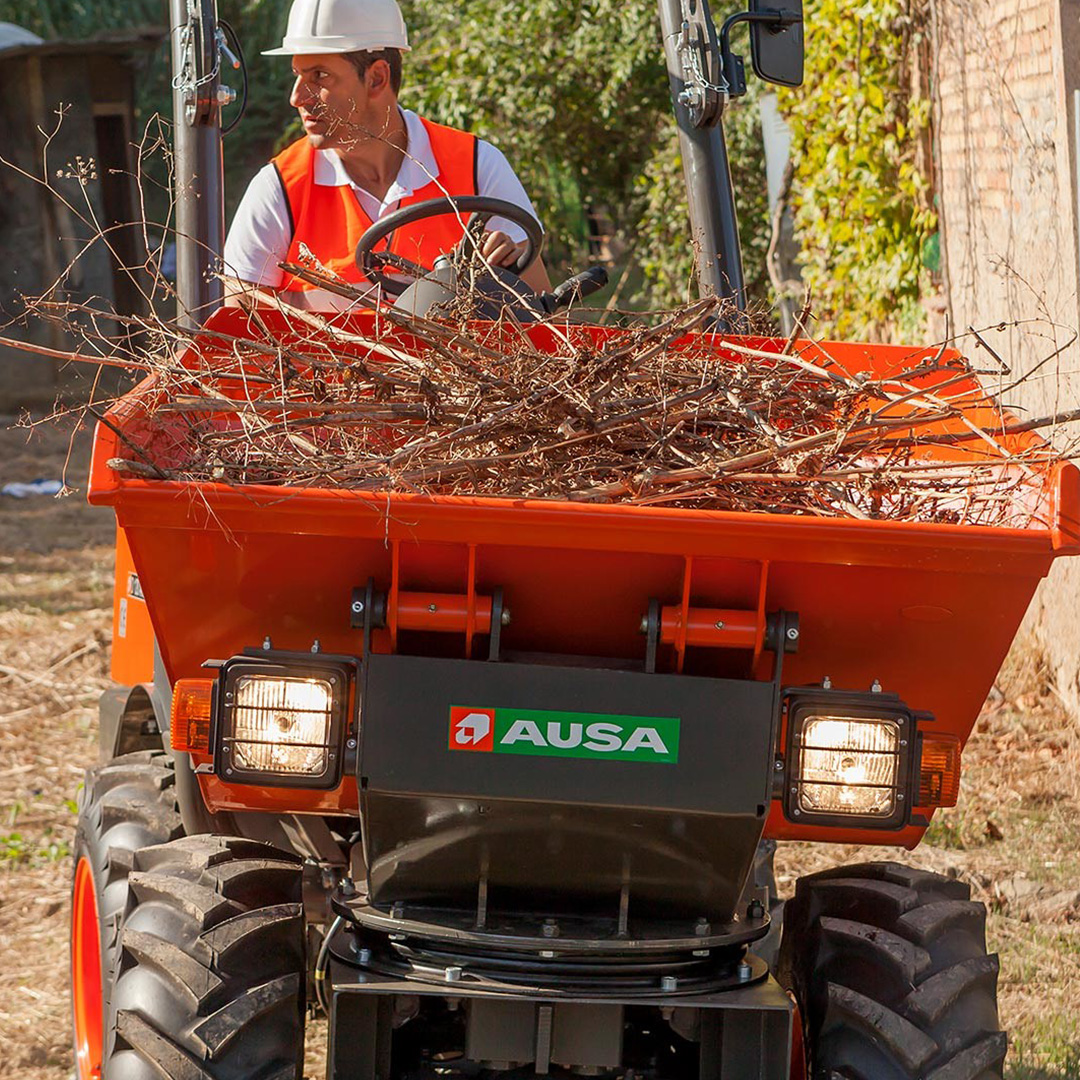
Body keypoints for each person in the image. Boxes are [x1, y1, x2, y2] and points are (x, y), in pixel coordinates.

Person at [222, 0, 551, 310]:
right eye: (298, 74)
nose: (297, 97)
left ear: (377, 77)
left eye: (319, 76)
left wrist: (502, 275)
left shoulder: (477, 165)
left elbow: (542, 325)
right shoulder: (279, 189)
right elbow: (237, 343)